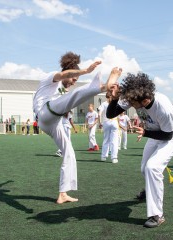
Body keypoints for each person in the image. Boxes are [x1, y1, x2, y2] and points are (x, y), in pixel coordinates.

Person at [33, 51, 122, 204]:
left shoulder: (63, 90)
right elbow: (64, 75)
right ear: (68, 72)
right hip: (44, 112)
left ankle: (63, 193)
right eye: (74, 78)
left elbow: (67, 100)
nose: (74, 81)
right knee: (73, 95)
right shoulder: (52, 77)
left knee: (69, 153)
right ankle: (103, 86)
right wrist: (86, 71)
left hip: (53, 122)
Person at [106, 72, 173, 228]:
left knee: (153, 167)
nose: (128, 103)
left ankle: (157, 215)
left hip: (171, 136)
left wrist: (146, 132)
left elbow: (167, 135)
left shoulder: (162, 107)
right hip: (155, 134)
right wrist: (114, 99)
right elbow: (110, 114)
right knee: (144, 169)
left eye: (131, 102)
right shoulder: (136, 96)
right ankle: (150, 190)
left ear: (145, 100)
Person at [98, 93, 119, 163]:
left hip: (106, 122)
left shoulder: (104, 104)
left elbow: (99, 114)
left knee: (106, 140)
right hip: (114, 121)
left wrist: (100, 122)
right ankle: (114, 158)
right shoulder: (116, 103)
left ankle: (103, 156)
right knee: (114, 141)